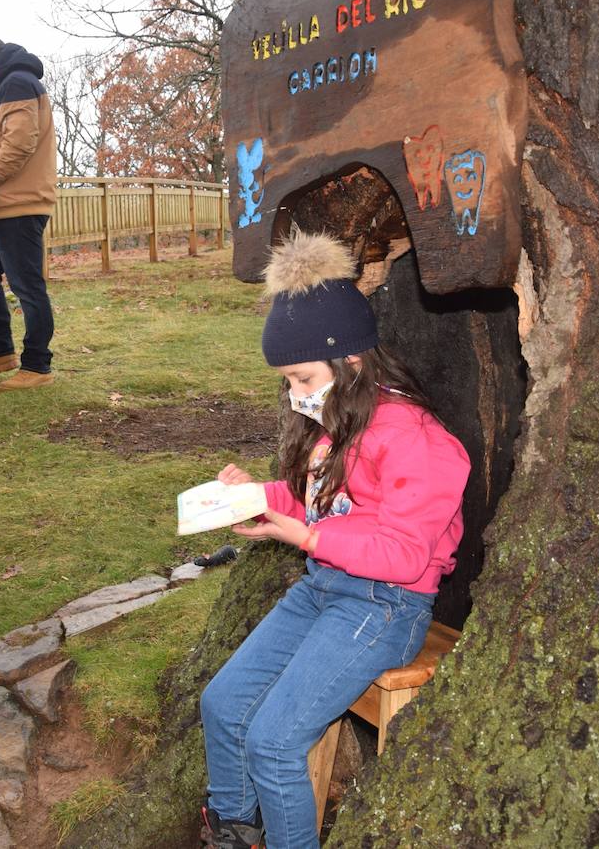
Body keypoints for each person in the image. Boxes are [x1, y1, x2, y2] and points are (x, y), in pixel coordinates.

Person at [197, 231, 471, 849]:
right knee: (223, 704)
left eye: (301, 378)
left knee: (273, 740)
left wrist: (308, 537)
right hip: (325, 590)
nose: (296, 396)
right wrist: (256, 497)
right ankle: (235, 830)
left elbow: (403, 554)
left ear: (350, 359)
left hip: (383, 605)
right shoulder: (339, 423)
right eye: (288, 383)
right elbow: (323, 503)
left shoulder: (414, 440)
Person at [0, 35, 57, 390]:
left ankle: (37, 366)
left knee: (27, 286)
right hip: (0, 207)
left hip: (17, 204)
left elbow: (20, 141)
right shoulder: (8, 86)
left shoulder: (16, 81)